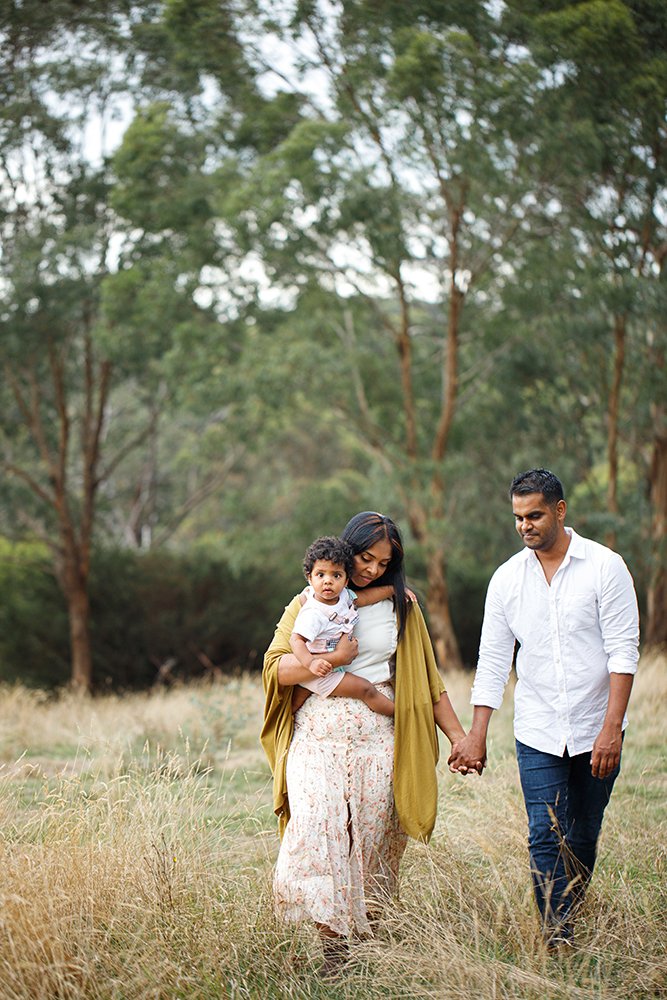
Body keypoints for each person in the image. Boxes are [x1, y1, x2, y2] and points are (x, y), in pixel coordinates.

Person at [260, 511, 467, 975]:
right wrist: (337, 666)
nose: (370, 568)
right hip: (319, 734)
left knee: (372, 837)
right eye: (364, 557)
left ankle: (366, 937)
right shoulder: (311, 600)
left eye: (383, 562)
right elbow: (277, 669)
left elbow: (426, 683)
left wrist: (459, 737)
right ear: (345, 549)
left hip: (378, 739)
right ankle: (332, 945)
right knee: (320, 829)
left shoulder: (400, 607)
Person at [448, 469, 640, 950]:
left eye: (534, 514)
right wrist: (475, 734)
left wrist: (611, 728)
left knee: (583, 832)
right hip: (537, 729)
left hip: (598, 726)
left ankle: (571, 908)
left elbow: (623, 650)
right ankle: (558, 935)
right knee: (543, 833)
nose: (524, 526)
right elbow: (493, 660)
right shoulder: (507, 580)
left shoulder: (605, 567)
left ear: (559, 510)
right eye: (517, 517)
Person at [290, 534, 396, 718]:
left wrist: (393, 590)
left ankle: (288, 721)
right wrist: (310, 663)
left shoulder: (345, 597)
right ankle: (404, 716)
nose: (328, 580)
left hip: (331, 668)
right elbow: (296, 640)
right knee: (365, 689)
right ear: (310, 577)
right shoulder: (313, 612)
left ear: (346, 580)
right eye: (320, 575)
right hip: (321, 670)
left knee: (297, 702)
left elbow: (366, 598)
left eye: (336, 575)